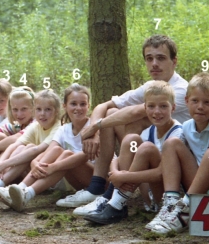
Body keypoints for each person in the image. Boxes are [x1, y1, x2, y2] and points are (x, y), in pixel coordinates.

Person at [57, 35, 191, 213]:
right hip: (145, 151)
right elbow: (104, 105)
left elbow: (136, 111)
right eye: (149, 58)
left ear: (174, 61)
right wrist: (94, 132)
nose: (154, 64)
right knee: (112, 114)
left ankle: (111, 196)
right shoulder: (151, 86)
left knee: (127, 119)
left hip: (171, 162)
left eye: (160, 58)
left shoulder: (180, 89)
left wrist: (97, 126)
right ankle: (97, 188)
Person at [144, 73, 209, 233]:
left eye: (207, 102)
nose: (200, 106)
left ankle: (183, 213)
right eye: (195, 101)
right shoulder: (186, 127)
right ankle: (170, 205)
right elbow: (174, 159)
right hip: (197, 184)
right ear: (186, 101)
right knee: (171, 143)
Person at [84, 81, 183, 224]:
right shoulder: (150, 131)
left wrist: (126, 176)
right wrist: (116, 173)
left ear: (173, 108)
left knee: (146, 148)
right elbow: (118, 160)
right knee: (132, 140)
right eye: (151, 106)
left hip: (163, 194)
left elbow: (162, 173)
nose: (157, 111)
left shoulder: (177, 133)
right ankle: (117, 202)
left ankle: (116, 204)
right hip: (146, 191)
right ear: (145, 107)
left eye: (163, 106)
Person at [0, 84, 93, 211]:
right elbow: (49, 151)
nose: (78, 108)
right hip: (75, 179)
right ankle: (23, 189)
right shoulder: (63, 129)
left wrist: (53, 167)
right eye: (73, 104)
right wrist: (34, 163)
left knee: (66, 155)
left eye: (83, 104)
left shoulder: (92, 126)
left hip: (94, 179)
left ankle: (27, 193)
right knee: (57, 150)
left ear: (88, 106)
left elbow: (84, 156)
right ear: (65, 106)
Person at [0, 90, 62, 203]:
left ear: (56, 111)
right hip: (33, 171)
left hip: (50, 175)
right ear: (34, 110)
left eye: (48, 109)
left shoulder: (58, 127)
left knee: (30, 148)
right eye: (39, 109)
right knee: (21, 147)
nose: (42, 114)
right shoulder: (36, 125)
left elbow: (38, 149)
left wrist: (4, 164)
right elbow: (14, 145)